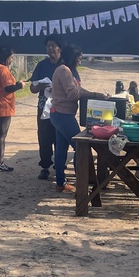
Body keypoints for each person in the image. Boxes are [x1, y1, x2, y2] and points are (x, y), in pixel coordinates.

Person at [49, 44, 107, 193]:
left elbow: (78, 90)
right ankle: (82, 182)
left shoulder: (67, 71)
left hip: (60, 113)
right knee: (81, 147)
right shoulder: (64, 71)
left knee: (61, 149)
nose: (80, 61)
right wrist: (94, 95)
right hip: (62, 115)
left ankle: (61, 182)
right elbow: (74, 94)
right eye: (79, 59)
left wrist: (95, 94)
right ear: (72, 58)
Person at [29, 37, 77, 180]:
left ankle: (59, 165)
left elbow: (76, 85)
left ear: (60, 48)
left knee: (61, 136)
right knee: (44, 136)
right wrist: (41, 86)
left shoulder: (66, 65)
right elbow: (32, 88)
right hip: (44, 105)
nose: (50, 49)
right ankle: (45, 166)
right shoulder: (41, 65)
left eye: (53, 46)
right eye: (48, 46)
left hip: (62, 106)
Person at [0, 45, 26, 172]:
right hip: (3, 106)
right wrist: (19, 85)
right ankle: (0, 163)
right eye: (11, 57)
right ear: (5, 57)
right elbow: (8, 88)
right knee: (1, 136)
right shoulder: (4, 70)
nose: (12, 60)